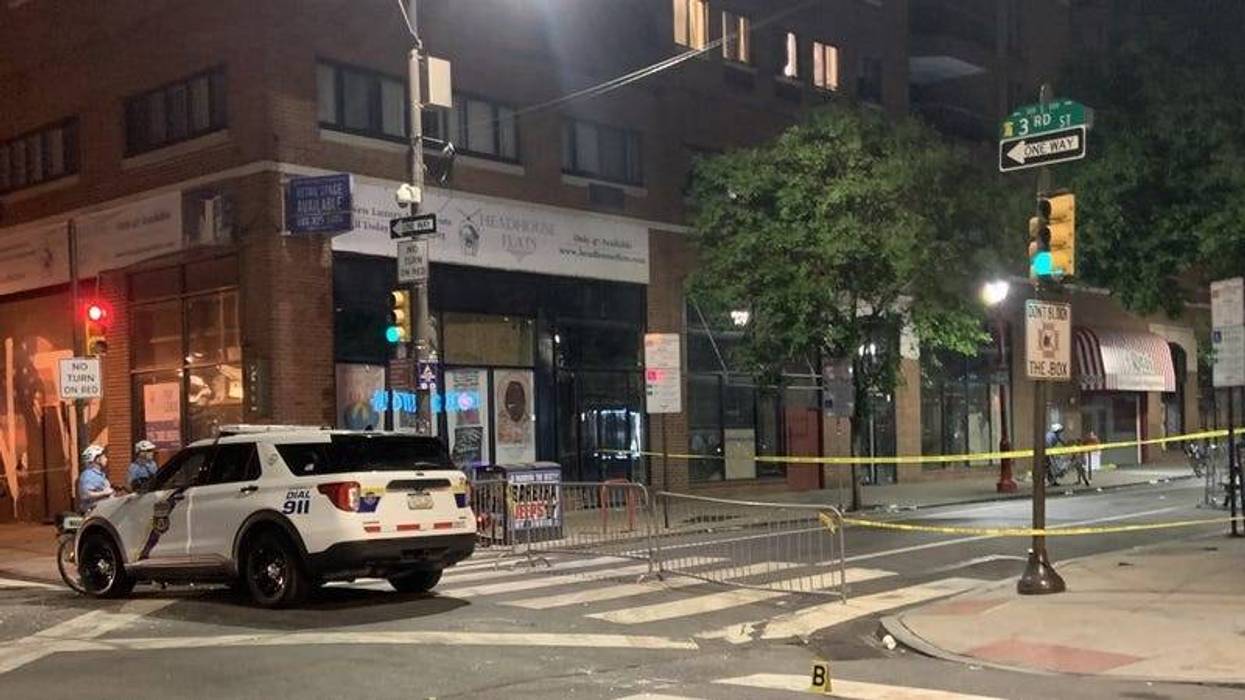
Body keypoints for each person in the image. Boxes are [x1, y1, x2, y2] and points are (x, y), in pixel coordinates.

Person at [76, 445, 114, 513]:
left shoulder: (100, 474)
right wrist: (104, 493)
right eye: (104, 457)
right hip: (94, 512)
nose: (106, 459)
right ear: (97, 459)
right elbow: (85, 495)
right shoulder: (88, 475)